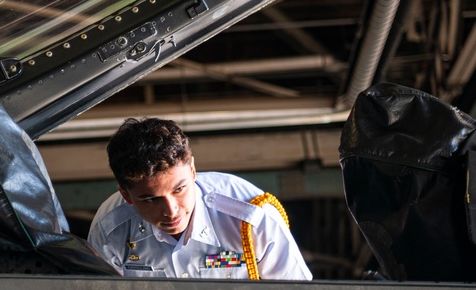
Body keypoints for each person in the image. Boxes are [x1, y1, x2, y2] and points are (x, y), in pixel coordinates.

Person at [88, 117, 312, 280]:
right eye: (151, 200)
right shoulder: (109, 230)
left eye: (179, 189)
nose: (171, 210)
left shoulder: (252, 216)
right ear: (126, 195)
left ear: (193, 170)